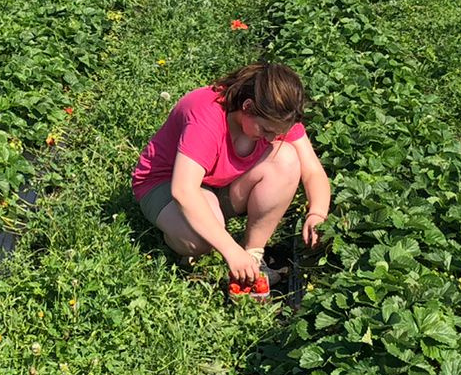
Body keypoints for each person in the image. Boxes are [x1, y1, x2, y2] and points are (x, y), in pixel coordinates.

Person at [132, 63, 333, 285]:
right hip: (166, 183)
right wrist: (230, 249)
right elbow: (183, 191)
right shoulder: (207, 115)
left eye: (276, 132)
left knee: (286, 159)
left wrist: (317, 214)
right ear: (247, 106)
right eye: (266, 130)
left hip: (216, 183)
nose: (270, 138)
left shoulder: (277, 115)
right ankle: (182, 242)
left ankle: (253, 256)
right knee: (198, 239)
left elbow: (313, 170)